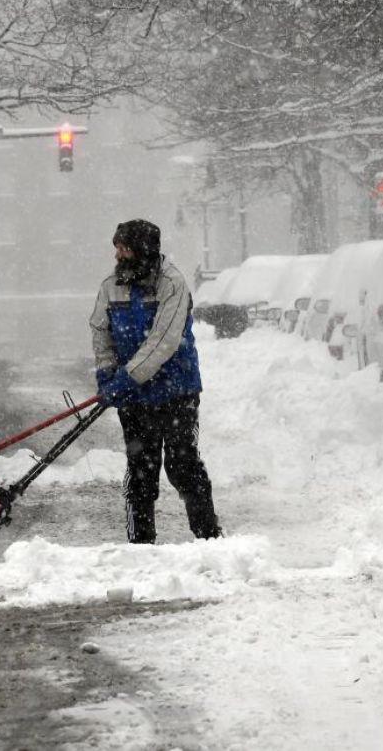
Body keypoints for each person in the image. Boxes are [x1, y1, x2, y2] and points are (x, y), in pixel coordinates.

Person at [89, 219, 222, 544]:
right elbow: (99, 329)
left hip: (178, 392)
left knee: (183, 464)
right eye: (116, 248)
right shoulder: (111, 285)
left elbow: (163, 341)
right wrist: (107, 371)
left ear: (143, 251)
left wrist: (126, 378)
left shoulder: (172, 284)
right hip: (134, 398)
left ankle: (209, 540)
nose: (118, 255)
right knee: (140, 469)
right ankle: (140, 543)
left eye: (125, 248)